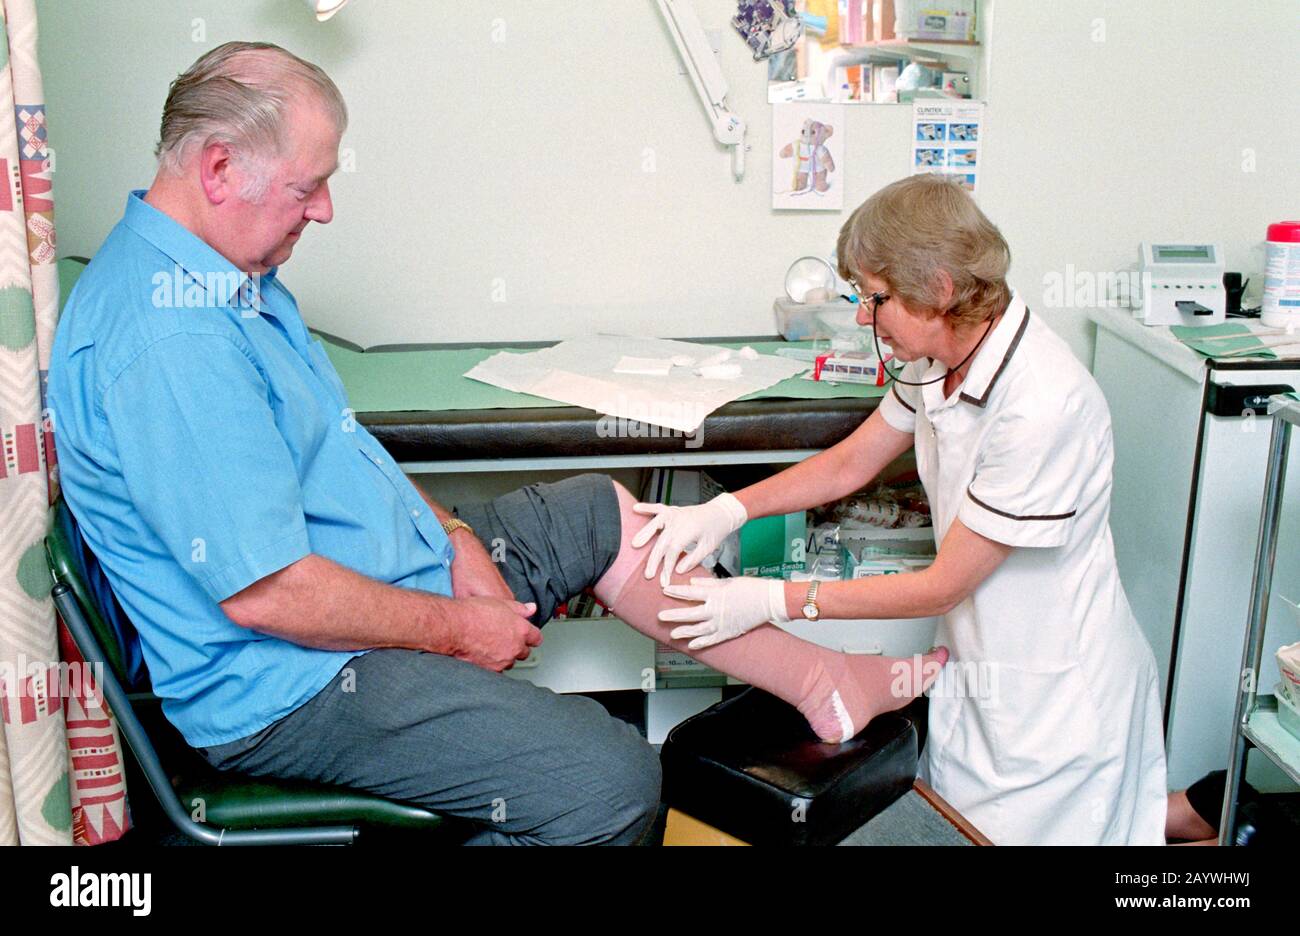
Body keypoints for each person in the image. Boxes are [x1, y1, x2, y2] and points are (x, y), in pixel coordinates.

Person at [46, 41, 944, 845]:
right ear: (216, 169)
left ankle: (824, 680)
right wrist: (458, 629)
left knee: (601, 512)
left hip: (363, 582)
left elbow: (342, 464)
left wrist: (455, 540)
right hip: (298, 683)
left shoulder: (235, 277)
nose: (324, 211)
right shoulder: (170, 340)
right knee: (612, 786)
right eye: (306, 186)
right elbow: (271, 594)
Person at [633, 174, 1168, 845]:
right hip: (980, 671)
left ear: (939, 288)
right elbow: (850, 464)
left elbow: (944, 583)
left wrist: (772, 598)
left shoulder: (1043, 403)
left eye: (874, 296)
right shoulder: (938, 357)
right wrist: (728, 511)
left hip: (1058, 703)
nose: (863, 314)